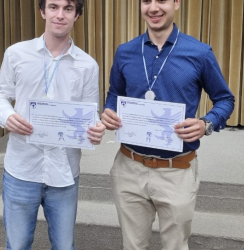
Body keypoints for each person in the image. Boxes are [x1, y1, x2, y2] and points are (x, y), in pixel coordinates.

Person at [101, 0, 235, 249]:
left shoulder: (199, 53)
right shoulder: (125, 51)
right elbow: (114, 95)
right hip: (129, 167)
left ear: (176, 3)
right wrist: (109, 110)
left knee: (175, 246)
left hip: (177, 170)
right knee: (132, 246)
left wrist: (207, 123)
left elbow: (225, 100)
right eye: (146, 1)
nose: (153, 8)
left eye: (161, 0)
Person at [0, 0, 105, 249]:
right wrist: (7, 115)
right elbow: (1, 96)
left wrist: (95, 128)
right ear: (43, 11)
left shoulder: (88, 65)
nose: (60, 15)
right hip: (22, 168)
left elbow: (90, 112)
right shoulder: (16, 53)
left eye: (68, 9)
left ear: (77, 15)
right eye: (53, 7)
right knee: (18, 245)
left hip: (64, 172)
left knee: (64, 246)